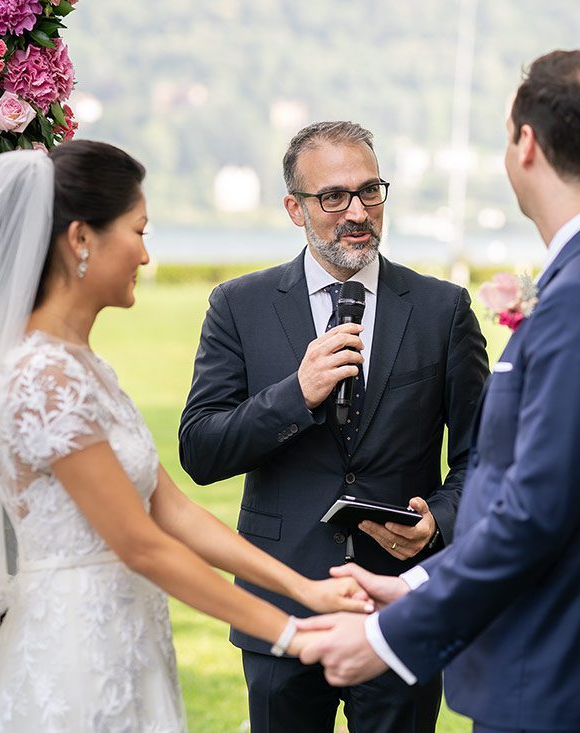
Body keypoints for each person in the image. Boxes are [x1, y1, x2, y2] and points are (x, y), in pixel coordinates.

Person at [0, 141, 369, 733]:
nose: (145, 254)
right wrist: (293, 634)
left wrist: (306, 591)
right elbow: (141, 544)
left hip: (126, 636)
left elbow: (171, 510)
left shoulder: (84, 366)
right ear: (82, 239)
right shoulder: (41, 377)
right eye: (137, 231)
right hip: (73, 649)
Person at [298, 51, 580, 733]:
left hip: (556, 665)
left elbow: (534, 511)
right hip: (572, 660)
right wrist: (413, 583)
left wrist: (386, 637)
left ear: (526, 143)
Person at [179, 121, 489, 732]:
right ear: (295, 207)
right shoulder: (238, 305)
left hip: (400, 605)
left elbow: (484, 461)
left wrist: (439, 524)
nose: (357, 212)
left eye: (370, 191)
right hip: (280, 604)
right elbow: (200, 449)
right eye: (333, 197)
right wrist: (296, 395)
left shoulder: (442, 309)